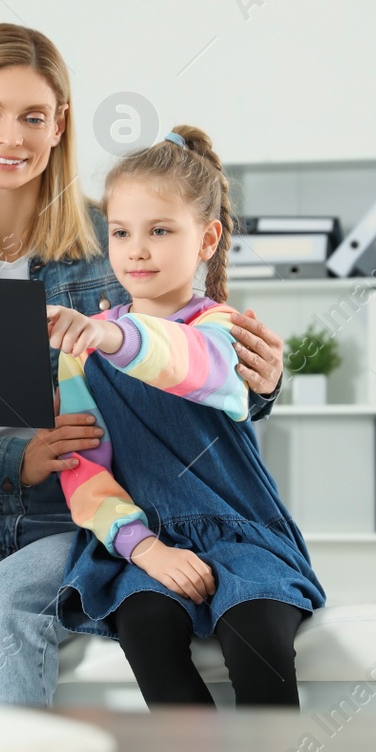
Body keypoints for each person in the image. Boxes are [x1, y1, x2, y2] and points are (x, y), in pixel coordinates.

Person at [0, 27, 288, 705]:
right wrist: (7, 461)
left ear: (59, 126)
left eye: (32, 116)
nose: (10, 136)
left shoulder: (112, 237)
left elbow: (191, 362)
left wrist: (262, 384)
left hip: (83, 519)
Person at [47, 125, 326, 708]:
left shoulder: (222, 331)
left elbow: (188, 365)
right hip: (145, 541)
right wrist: (144, 548)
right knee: (146, 628)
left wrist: (109, 333)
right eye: (121, 232)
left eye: (160, 231)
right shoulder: (81, 353)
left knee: (258, 641)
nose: (137, 249)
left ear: (206, 239)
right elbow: (83, 471)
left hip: (240, 533)